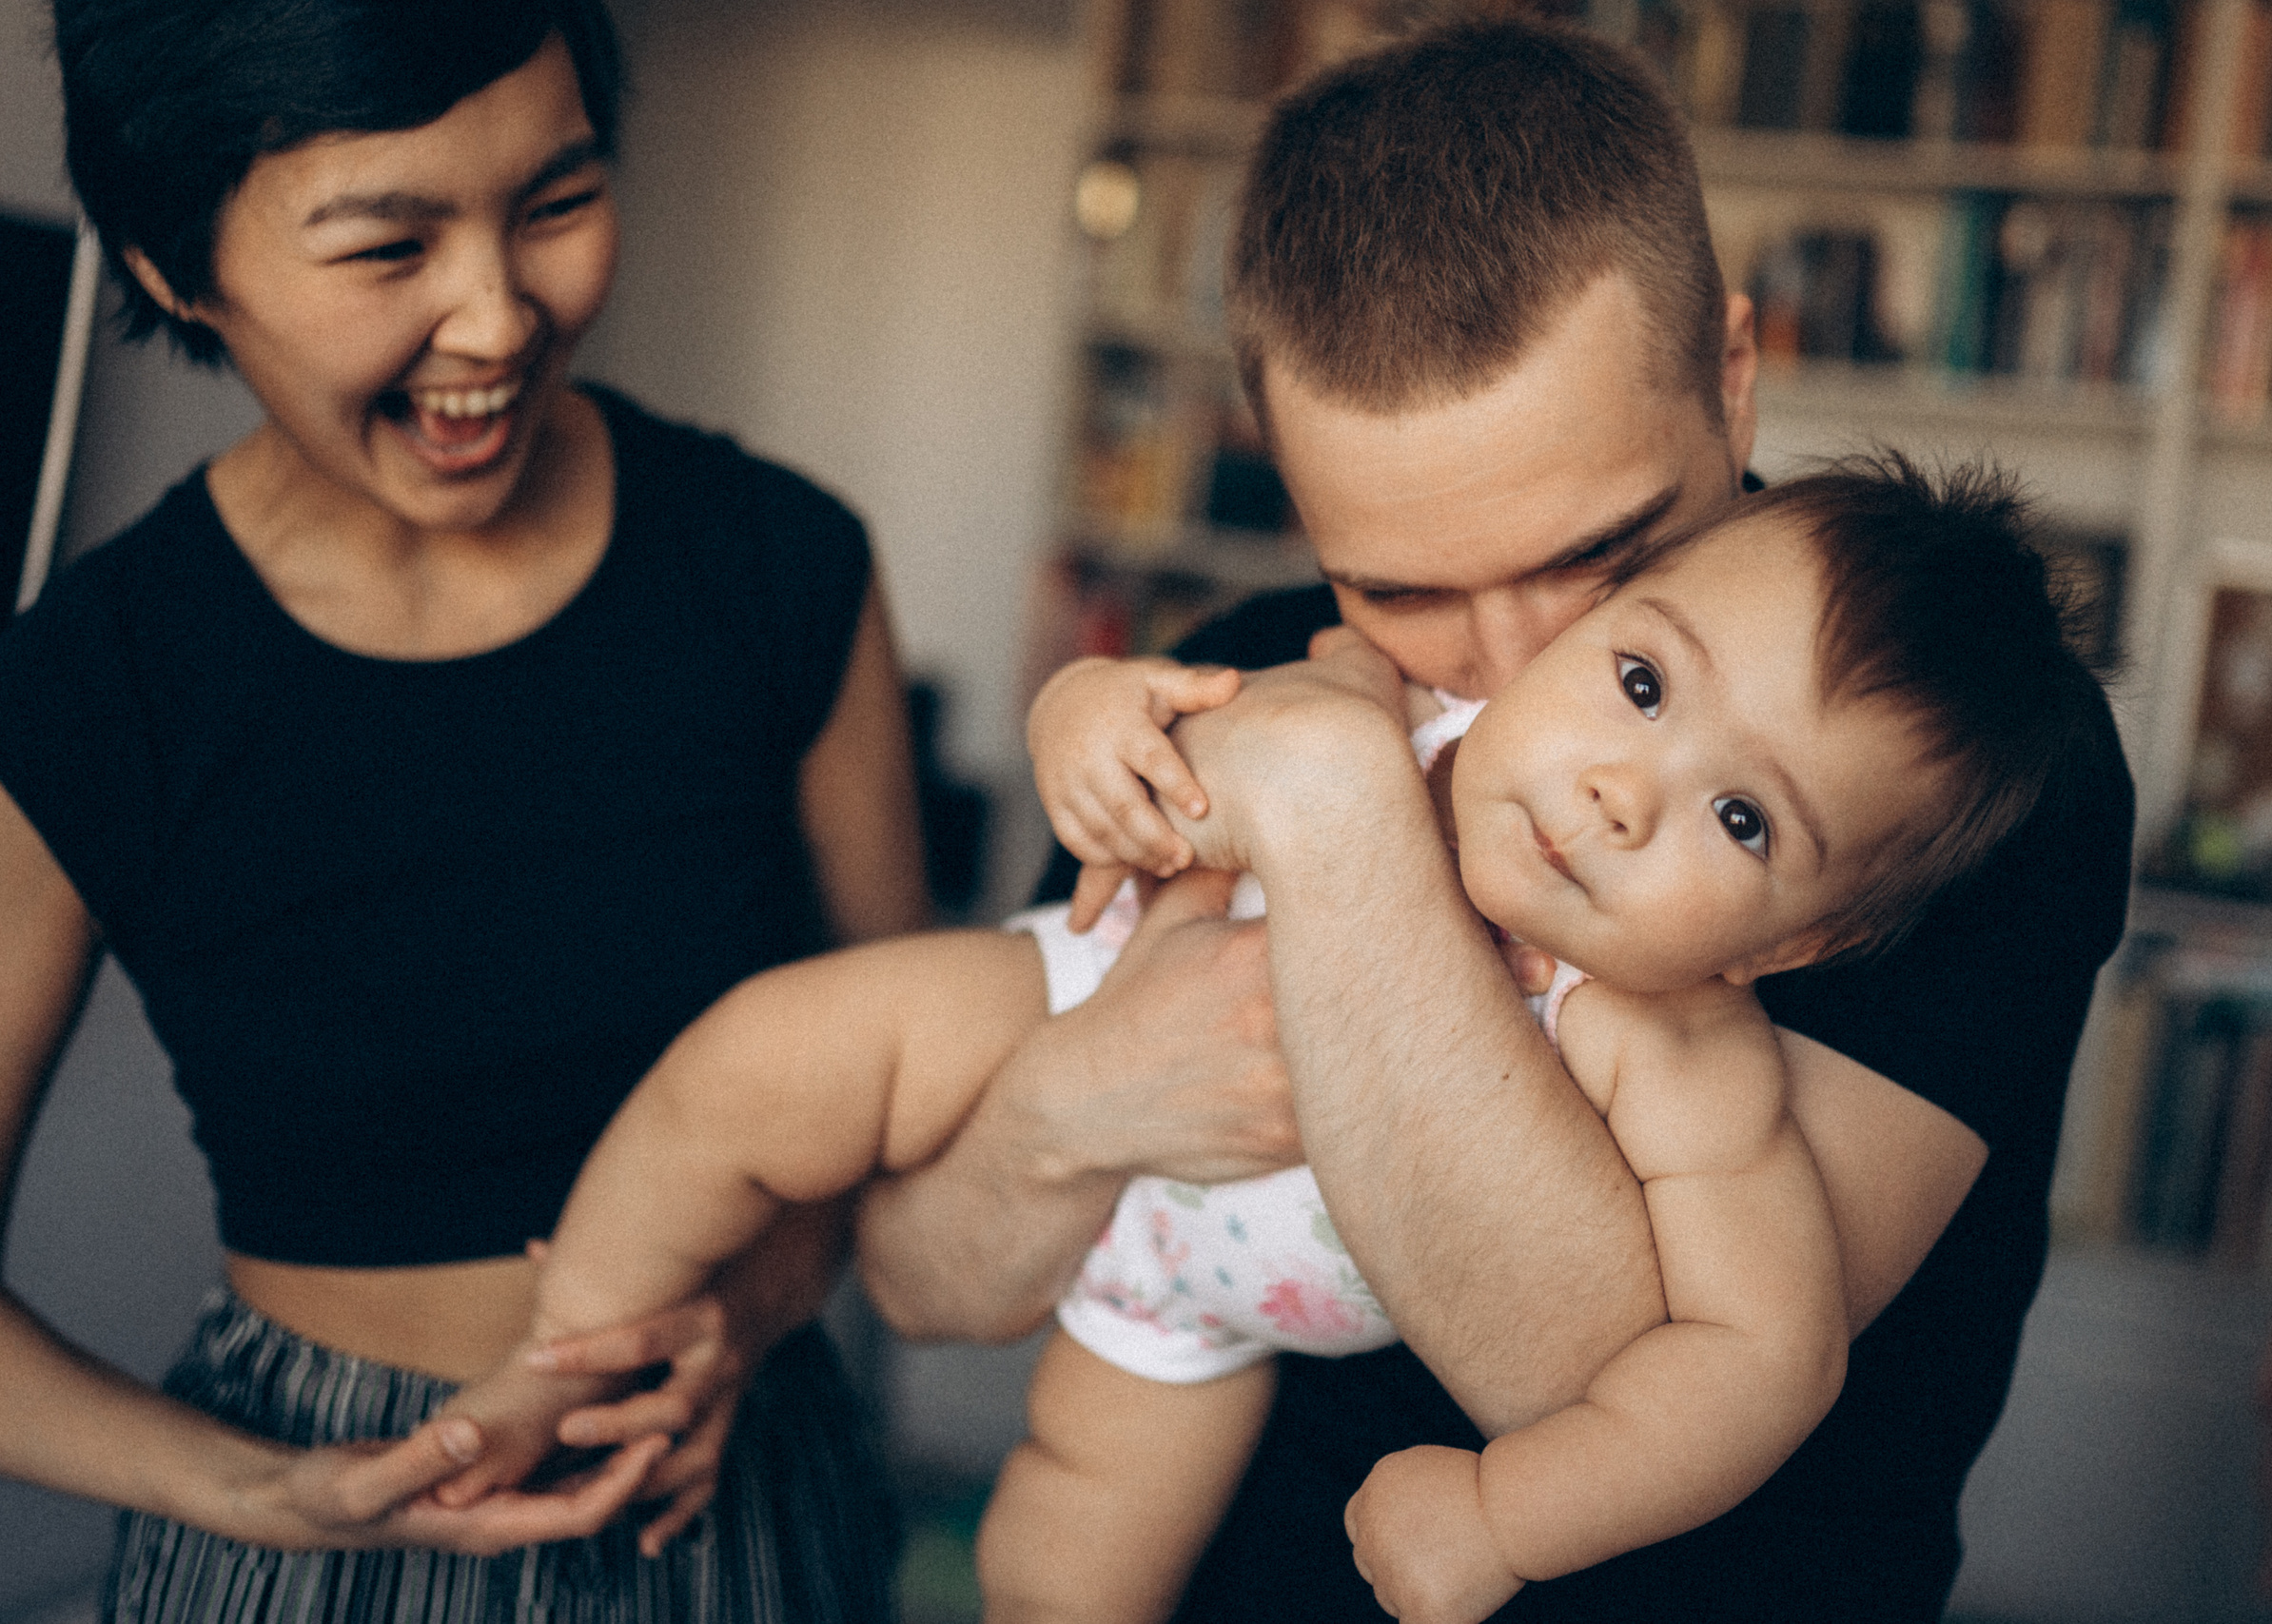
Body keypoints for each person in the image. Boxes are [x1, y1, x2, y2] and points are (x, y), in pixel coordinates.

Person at [853, 17, 2137, 1620]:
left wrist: (1340, 817)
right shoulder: (1245, 667)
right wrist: (1089, 1098)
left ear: (1732, 381)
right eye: (1398, 589)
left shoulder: (1926, 755)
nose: (1525, 680)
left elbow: (1593, 1372)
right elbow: (925, 1278)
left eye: (1606, 560)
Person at [426, 457, 2102, 1624]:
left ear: (1800, 940)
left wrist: (1508, 1516)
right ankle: (563, 1351)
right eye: (1643, 686)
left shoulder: (1679, 1053)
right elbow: (1160, 727)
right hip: (1078, 1015)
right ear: (1584, 629)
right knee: (767, 1054)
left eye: (1739, 818)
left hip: (1217, 1320)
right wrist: (1085, 718)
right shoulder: (1387, 696)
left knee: (1064, 1569)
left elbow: (1761, 1362)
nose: (1619, 790)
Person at [0, 1, 925, 1617]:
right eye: (387, 247)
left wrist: (751, 1315)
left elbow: (905, 1102)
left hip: (721, 1474)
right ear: (174, 265)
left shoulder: (783, 568)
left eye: (555, 203)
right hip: (314, 1506)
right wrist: (262, 1489)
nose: (497, 318)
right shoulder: (92, 689)